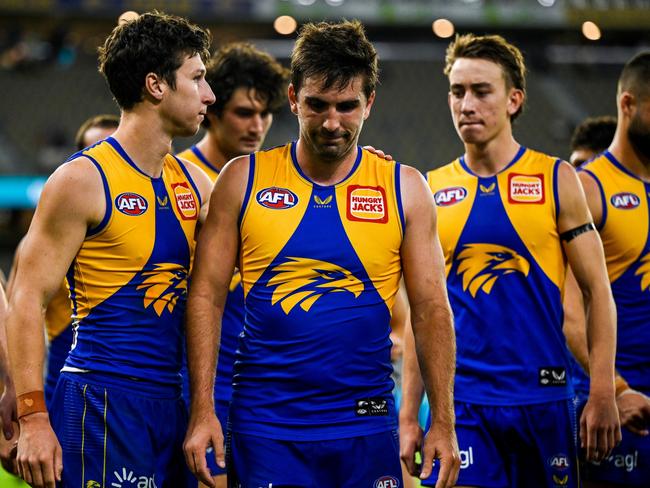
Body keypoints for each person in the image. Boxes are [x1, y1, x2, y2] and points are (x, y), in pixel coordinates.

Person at [183, 20, 460, 488]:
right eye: (317, 105)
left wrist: (444, 424)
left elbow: (432, 309)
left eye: (347, 106)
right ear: (292, 98)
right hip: (264, 428)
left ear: (369, 103)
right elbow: (206, 296)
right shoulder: (242, 180)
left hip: (366, 427)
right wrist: (203, 410)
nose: (332, 122)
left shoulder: (405, 189)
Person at [400, 33, 620, 488]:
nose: (467, 104)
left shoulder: (557, 179)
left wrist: (603, 390)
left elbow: (599, 291)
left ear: (514, 99)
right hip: (465, 406)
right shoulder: (430, 189)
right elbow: (423, 312)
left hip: (544, 400)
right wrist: (409, 414)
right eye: (458, 92)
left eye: (481, 91)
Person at [6, 12, 215, 488]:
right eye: (198, 78)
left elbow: (266, 221)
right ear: (156, 87)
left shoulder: (192, 181)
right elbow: (26, 299)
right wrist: (33, 416)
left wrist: (351, 162)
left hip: (171, 403)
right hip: (102, 403)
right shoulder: (81, 181)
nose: (209, 95)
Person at [176, 41, 288, 488]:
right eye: (244, 112)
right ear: (215, 110)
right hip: (197, 379)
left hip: (265, 381)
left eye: (265, 114)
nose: (257, 125)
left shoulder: (275, 182)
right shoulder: (176, 178)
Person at [564, 51, 650, 488]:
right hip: (619, 405)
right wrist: (615, 389)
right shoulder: (589, 188)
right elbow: (571, 311)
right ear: (628, 105)